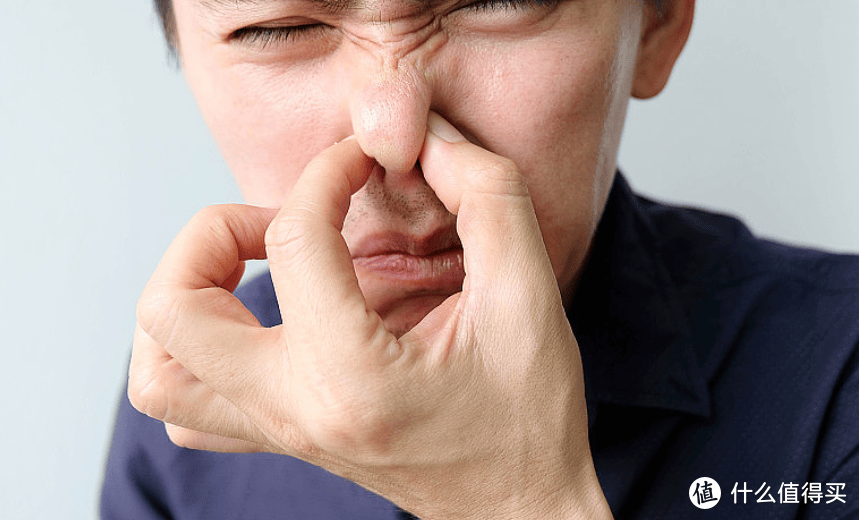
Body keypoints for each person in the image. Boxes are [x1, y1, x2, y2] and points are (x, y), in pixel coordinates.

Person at [101, 0, 859, 518]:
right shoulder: (189, 404)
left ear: (656, 24)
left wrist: (515, 498)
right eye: (277, 25)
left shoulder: (836, 388)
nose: (392, 135)